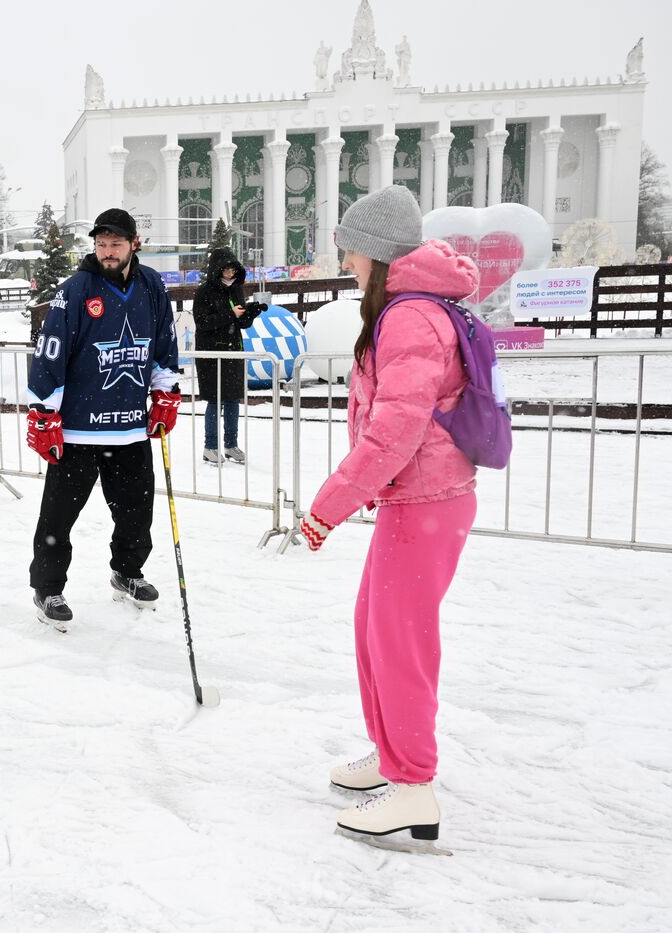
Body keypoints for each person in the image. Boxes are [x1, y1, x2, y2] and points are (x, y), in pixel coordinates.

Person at [299, 185, 480, 844]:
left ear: (376, 252)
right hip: (420, 498)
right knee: (376, 628)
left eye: (350, 251)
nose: (346, 262)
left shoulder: (408, 318)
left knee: (400, 640)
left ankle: (413, 785)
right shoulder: (412, 308)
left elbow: (393, 434)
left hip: (425, 498)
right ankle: (390, 749)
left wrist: (327, 506)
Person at [25, 208, 181, 631]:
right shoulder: (75, 290)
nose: (107, 251)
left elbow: (164, 343)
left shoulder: (151, 287)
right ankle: (48, 587)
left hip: (130, 427)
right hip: (78, 428)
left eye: (116, 243)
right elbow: (50, 353)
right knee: (58, 517)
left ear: (134, 244)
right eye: (101, 244)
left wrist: (165, 391)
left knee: (135, 510)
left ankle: (127, 572)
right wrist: (43, 413)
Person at [191, 248, 264, 464]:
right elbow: (202, 322)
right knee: (215, 400)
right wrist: (231, 314)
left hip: (233, 350)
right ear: (216, 269)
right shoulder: (204, 292)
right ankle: (210, 446)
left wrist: (250, 314)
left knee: (233, 399)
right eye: (225, 269)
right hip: (211, 353)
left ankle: (231, 445)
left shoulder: (236, 290)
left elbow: (241, 323)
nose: (229, 273)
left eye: (233, 269)